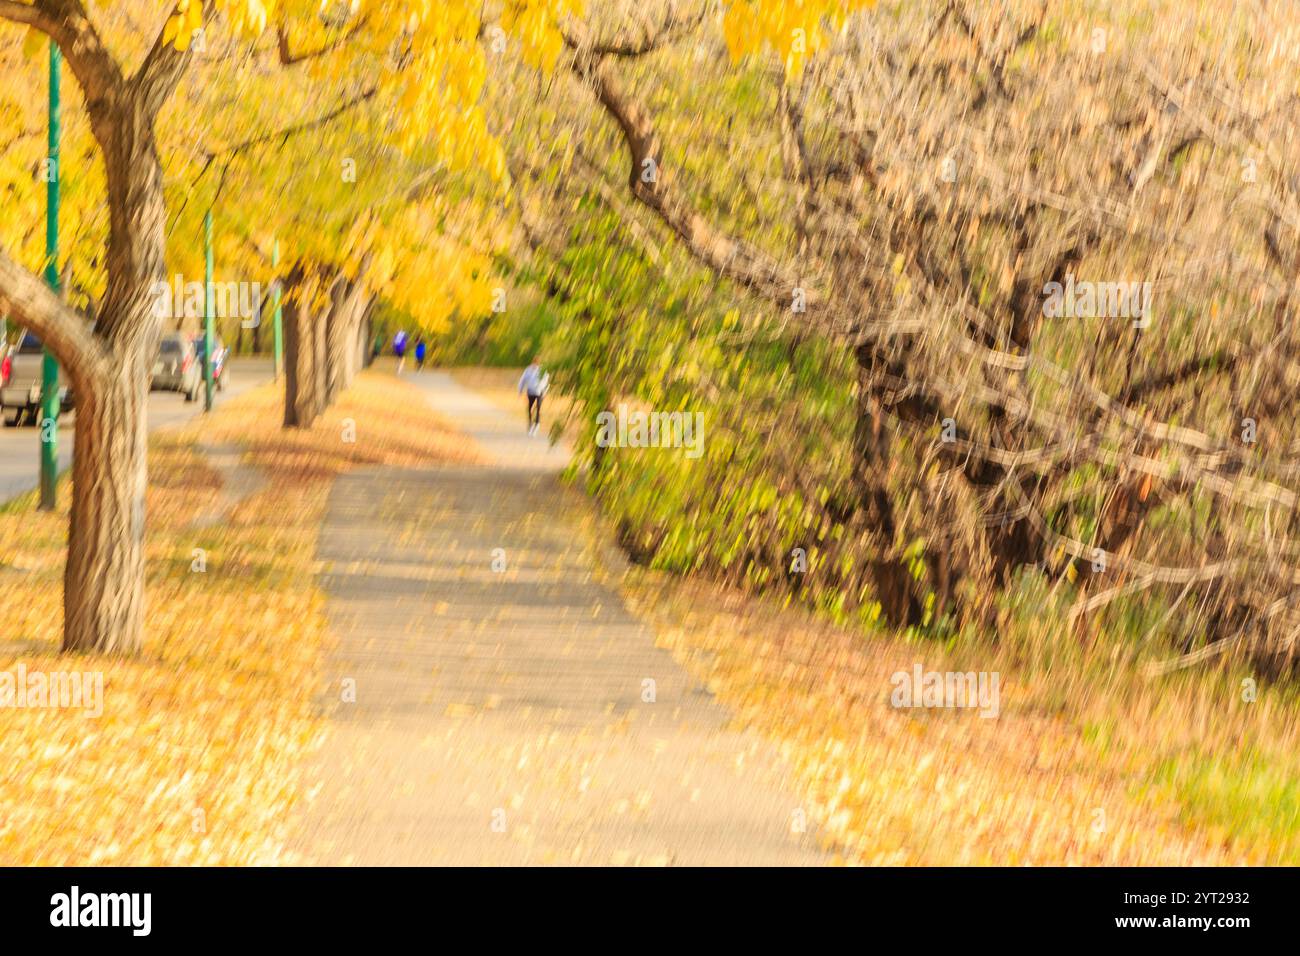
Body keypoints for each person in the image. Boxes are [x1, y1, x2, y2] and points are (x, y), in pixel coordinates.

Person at [517, 357, 550, 436]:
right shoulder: (528, 370)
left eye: (537, 364)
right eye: (534, 363)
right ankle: (530, 425)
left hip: (540, 392)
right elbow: (522, 380)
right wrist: (520, 390)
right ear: (532, 363)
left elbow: (546, 381)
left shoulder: (542, 370)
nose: (535, 365)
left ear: (539, 363)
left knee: (538, 408)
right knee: (529, 408)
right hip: (530, 391)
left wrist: (545, 391)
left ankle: (537, 425)